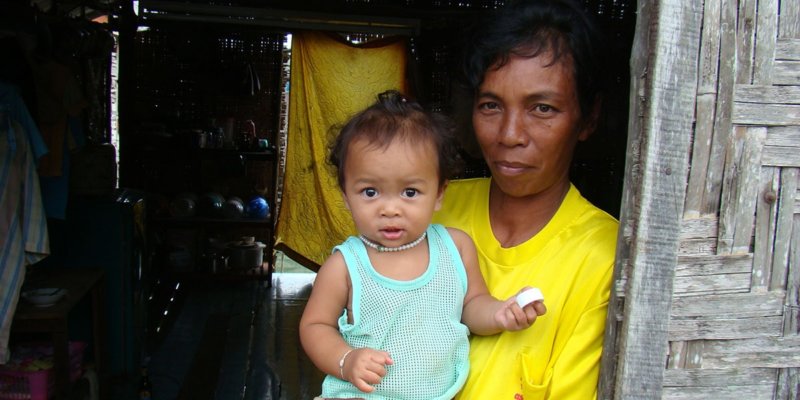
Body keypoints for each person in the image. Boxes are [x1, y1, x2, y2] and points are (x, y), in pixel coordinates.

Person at [299, 90, 546, 400]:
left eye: (410, 193)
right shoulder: (345, 265)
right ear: (346, 195)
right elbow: (315, 325)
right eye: (370, 192)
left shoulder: (455, 248)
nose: (390, 209)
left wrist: (500, 313)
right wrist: (346, 360)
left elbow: (472, 306)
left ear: (440, 193)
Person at [431, 0, 620, 399]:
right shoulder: (428, 211)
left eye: (542, 108)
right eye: (491, 105)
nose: (510, 134)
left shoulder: (604, 258)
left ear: (588, 118)